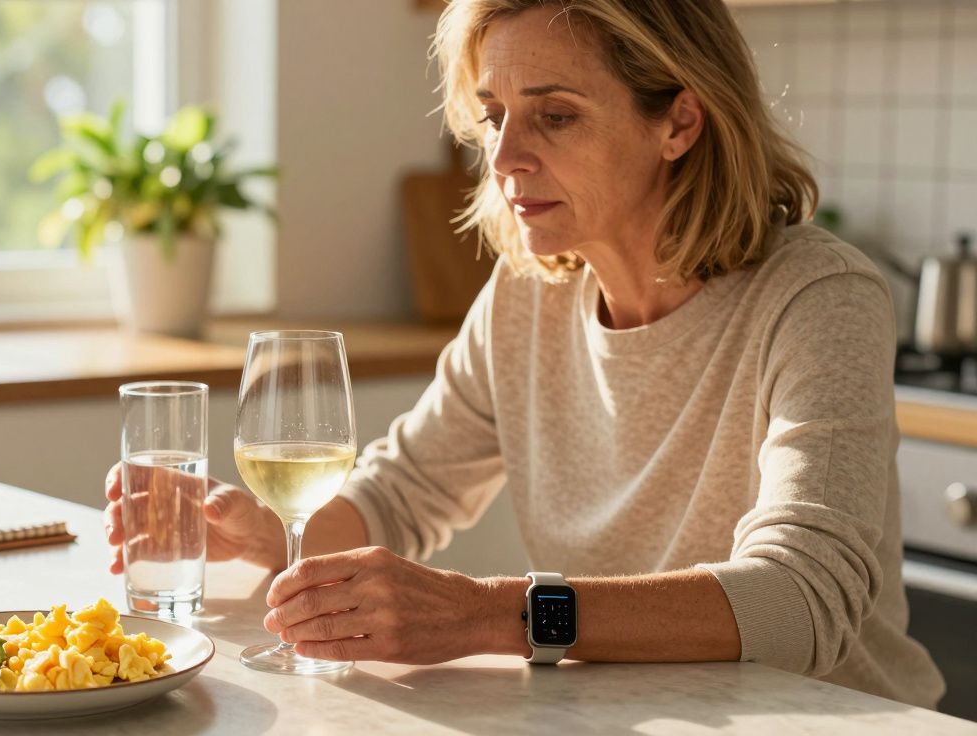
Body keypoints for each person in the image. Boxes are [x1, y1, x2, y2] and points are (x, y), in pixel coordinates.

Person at [105, 0, 944, 707]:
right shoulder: (528, 294)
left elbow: (801, 603)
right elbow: (404, 490)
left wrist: (487, 613)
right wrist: (268, 532)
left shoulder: (817, 296)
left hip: (828, 719)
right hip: (633, 714)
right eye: (494, 115)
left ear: (679, 122)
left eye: (556, 115)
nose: (503, 158)